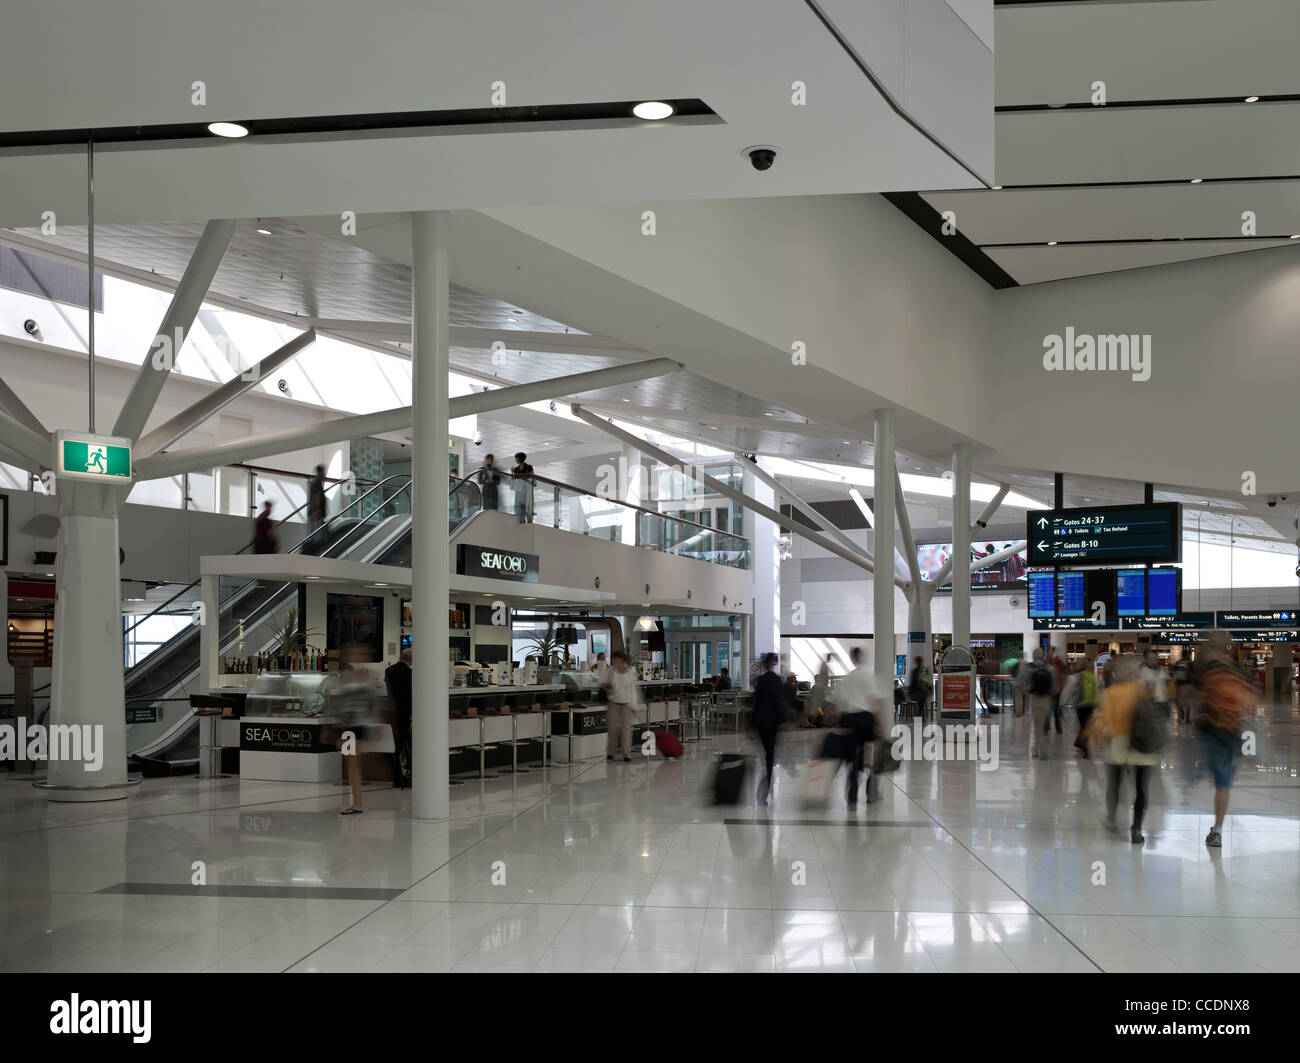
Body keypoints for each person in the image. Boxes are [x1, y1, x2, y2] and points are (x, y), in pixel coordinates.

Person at [1191, 632, 1255, 848]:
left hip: (1212, 730)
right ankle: (1217, 828)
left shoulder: (1205, 669)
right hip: (1233, 731)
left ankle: (1217, 830)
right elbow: (1250, 704)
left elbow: (1196, 698)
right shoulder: (1238, 670)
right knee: (1223, 784)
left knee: (1217, 779)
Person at [1087, 655, 1159, 844]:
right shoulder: (1141, 690)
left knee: (1115, 784)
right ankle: (1136, 827)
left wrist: (1096, 739)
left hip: (1118, 742)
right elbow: (1156, 708)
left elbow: (1103, 720)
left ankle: (1112, 818)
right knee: (1141, 788)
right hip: (1142, 741)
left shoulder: (1111, 692)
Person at [834, 646, 891, 807]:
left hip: (849, 722)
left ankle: (852, 795)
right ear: (862, 658)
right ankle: (871, 793)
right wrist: (882, 726)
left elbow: (838, 706)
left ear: (852, 658)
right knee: (872, 758)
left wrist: (837, 723)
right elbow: (876, 703)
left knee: (852, 760)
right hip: (865, 721)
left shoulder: (847, 679)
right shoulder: (868, 677)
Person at [332, 652, 380, 815]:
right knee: (355, 765)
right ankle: (357, 802)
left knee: (352, 766)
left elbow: (341, 705)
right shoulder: (363, 678)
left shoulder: (348, 679)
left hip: (352, 726)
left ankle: (357, 803)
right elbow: (372, 704)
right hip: (360, 726)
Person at [752, 654, 785, 803]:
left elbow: (756, 703)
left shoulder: (760, 681)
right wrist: (783, 720)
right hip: (773, 721)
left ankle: (767, 770)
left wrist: (751, 725)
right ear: (773, 664)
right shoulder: (777, 680)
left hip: (761, 720)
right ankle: (769, 772)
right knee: (771, 752)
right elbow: (779, 701)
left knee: (765, 750)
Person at [384, 648, 413, 789]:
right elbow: (409, 697)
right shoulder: (409, 673)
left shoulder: (389, 671)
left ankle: (397, 778)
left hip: (393, 714)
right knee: (407, 746)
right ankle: (407, 777)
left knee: (398, 746)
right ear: (411, 660)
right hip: (405, 714)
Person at [602, 649, 637, 763]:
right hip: (613, 702)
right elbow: (602, 683)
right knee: (612, 728)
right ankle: (611, 752)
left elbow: (633, 688)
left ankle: (627, 754)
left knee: (626, 729)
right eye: (613, 659)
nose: (614, 661)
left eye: (616, 658)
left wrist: (634, 704)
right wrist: (608, 690)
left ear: (622, 659)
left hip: (627, 703)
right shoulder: (611, 670)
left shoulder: (631, 670)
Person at [1024, 649, 1056, 758]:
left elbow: (1025, 684)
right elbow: (1054, 687)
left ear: (1033, 656)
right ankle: (1043, 750)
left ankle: (1035, 749)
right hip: (1046, 699)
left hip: (1035, 698)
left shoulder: (1030, 669)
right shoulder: (1050, 668)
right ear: (1043, 656)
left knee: (1037, 725)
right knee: (1044, 725)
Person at [1071, 659, 1100, 758]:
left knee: (1083, 727)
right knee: (1087, 727)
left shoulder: (1080, 675)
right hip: (1090, 705)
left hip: (1080, 705)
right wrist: (1096, 702)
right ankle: (1083, 746)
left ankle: (1081, 745)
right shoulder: (1092, 676)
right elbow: (1096, 690)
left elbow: (1074, 689)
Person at [305, 464, 327, 552]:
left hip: (313, 513)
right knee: (316, 536)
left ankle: (313, 551)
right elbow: (317, 497)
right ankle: (314, 552)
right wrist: (317, 510)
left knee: (313, 535)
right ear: (320, 472)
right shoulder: (317, 482)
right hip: (316, 514)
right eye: (323, 471)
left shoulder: (315, 481)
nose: (325, 473)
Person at [806, 656, 830, 727]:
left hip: (814, 710)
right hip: (816, 710)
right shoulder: (819, 687)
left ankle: (813, 722)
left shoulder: (815, 687)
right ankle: (813, 722)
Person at [510, 451, 534, 523]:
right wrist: (512, 472)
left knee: (524, 504)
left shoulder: (528, 467)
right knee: (518, 504)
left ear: (520, 458)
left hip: (526, 488)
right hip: (519, 489)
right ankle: (519, 519)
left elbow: (532, 476)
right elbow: (514, 479)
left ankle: (523, 519)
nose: (515, 460)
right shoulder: (516, 469)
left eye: (516, 458)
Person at [1048, 648, 1066, 734]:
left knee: (1052, 710)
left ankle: (1049, 727)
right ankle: (1058, 728)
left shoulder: (1051, 664)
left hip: (1053, 691)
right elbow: (1063, 676)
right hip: (1057, 690)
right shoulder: (1058, 664)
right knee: (1056, 711)